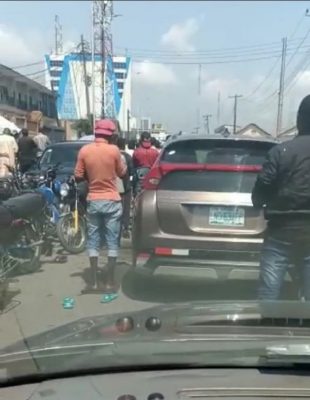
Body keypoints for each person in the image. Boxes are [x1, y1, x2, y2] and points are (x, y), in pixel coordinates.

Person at [252, 94, 310, 301]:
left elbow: (263, 187)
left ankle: (268, 328)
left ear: (299, 120)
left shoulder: (281, 151)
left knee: (269, 291)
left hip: (281, 231)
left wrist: (258, 202)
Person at [75, 119, 127, 294]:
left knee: (93, 240)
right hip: (112, 200)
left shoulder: (84, 150)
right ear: (111, 135)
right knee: (112, 240)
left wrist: (91, 180)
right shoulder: (114, 151)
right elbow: (122, 173)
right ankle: (111, 282)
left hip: (93, 200)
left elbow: (78, 175)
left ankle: (94, 283)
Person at [117, 137, 134, 239]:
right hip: (126, 185)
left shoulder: (113, 156)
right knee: (126, 207)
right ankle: (125, 227)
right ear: (124, 145)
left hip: (114, 185)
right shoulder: (128, 157)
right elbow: (132, 172)